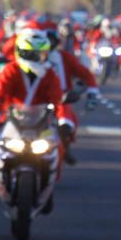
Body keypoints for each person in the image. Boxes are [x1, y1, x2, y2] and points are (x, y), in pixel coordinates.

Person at [0, 28, 72, 168]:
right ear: (26, 53)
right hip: (13, 120)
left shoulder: (50, 73)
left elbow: (58, 100)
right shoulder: (10, 70)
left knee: (57, 148)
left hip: (42, 122)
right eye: (37, 54)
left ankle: (48, 185)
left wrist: (65, 122)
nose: (42, 58)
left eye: (44, 54)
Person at [43, 21, 101, 165]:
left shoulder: (64, 58)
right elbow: (1, 89)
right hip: (29, 104)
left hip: (60, 100)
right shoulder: (17, 64)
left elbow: (85, 74)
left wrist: (92, 93)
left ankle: (64, 147)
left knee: (65, 124)